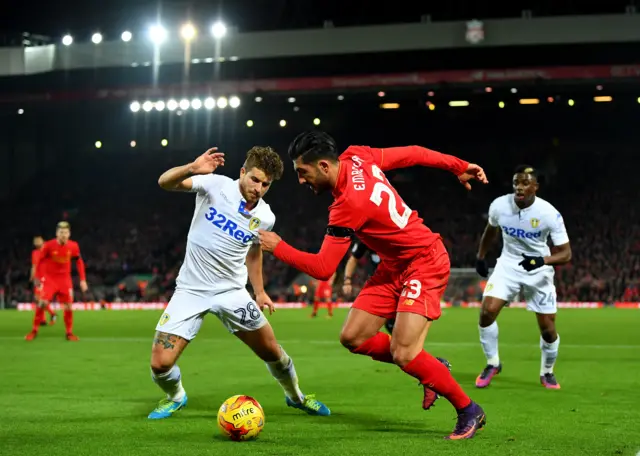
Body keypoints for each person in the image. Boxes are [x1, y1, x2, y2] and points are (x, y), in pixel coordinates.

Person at [259, 131, 488, 440]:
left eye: (303, 172)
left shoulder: (347, 204)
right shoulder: (357, 156)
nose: (301, 180)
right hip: (393, 267)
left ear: (324, 166)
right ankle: (431, 366)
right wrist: (457, 165)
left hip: (424, 261)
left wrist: (278, 246)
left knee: (405, 353)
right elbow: (414, 151)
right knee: (354, 337)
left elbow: (324, 268)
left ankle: (468, 409)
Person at [148, 146, 330, 420]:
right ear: (243, 172)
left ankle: (296, 397)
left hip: (233, 293)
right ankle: (176, 396)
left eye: (266, 184)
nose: (259, 188)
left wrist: (259, 291)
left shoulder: (265, 217)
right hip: (190, 290)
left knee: (273, 351)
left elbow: (254, 252)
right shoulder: (215, 185)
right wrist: (191, 168)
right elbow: (164, 182)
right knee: (159, 364)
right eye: (255, 179)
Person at [475, 165, 571, 389]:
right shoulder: (500, 205)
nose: (519, 187)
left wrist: (541, 261)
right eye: (516, 182)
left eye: (525, 183)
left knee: (547, 329)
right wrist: (480, 256)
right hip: (508, 265)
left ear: (535, 187)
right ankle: (493, 363)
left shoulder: (549, 214)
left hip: (538, 270)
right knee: (487, 312)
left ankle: (547, 372)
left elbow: (566, 254)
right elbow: (491, 229)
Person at [26, 222, 88, 341]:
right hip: (50, 279)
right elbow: (39, 261)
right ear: (56, 233)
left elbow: (79, 262)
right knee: (42, 303)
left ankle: (69, 333)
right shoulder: (49, 245)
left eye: (65, 233)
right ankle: (34, 330)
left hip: (65, 280)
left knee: (68, 306)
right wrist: (38, 277)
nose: (63, 235)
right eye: (61, 232)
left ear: (69, 234)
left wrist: (83, 280)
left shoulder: (73, 246)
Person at [342, 241, 395, 333]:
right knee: (355, 331)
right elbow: (353, 259)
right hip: (376, 285)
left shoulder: (397, 237)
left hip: (397, 284)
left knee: (394, 327)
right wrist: (347, 280)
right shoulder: (365, 238)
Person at [30, 235, 57, 326]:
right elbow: (34, 266)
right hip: (38, 278)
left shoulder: (47, 250)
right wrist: (32, 276)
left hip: (45, 278)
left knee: (41, 299)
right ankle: (44, 319)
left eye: (38, 241)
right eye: (35, 241)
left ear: (43, 241)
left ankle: (51, 314)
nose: (37, 242)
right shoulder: (34, 253)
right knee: (38, 300)